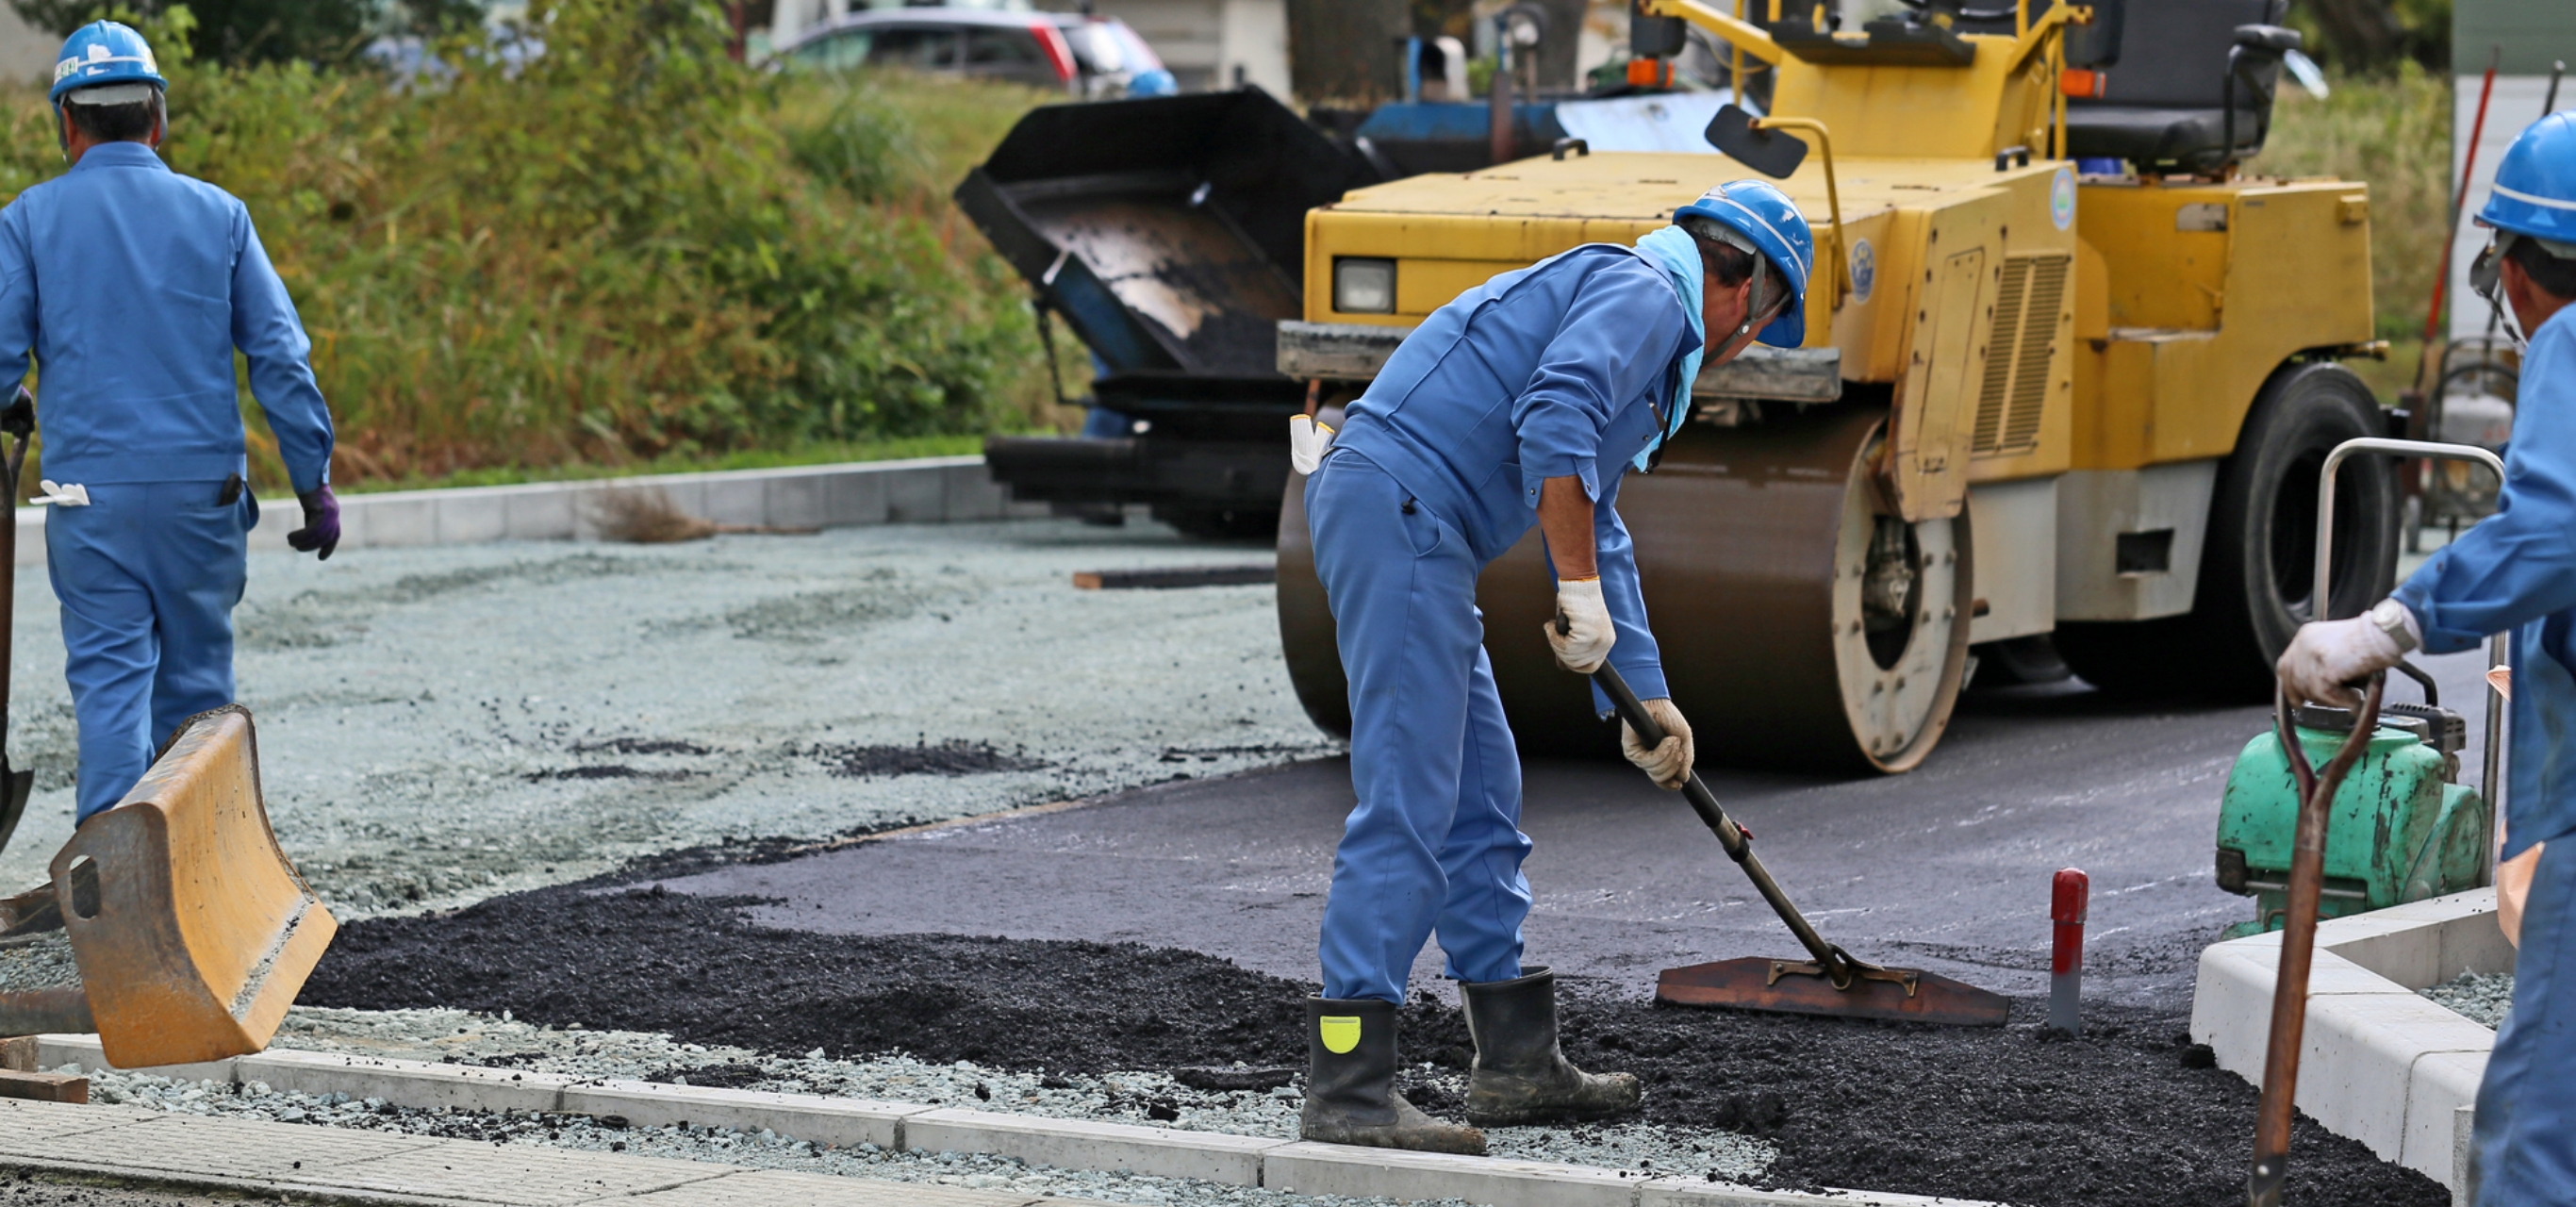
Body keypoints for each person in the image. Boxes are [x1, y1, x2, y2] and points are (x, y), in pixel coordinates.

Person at [1297, 180, 1813, 1153]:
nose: (1748, 346)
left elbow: (1598, 514)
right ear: (1749, 295)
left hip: (1418, 526)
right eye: (1766, 323)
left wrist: (1643, 694)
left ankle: (1514, 1061)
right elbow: (1553, 423)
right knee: (1409, 794)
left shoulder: (1635, 309)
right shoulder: (1648, 296)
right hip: (1397, 509)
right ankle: (1347, 1081)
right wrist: (1572, 592)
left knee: (1482, 795)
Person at [2274, 111, 2576, 1205]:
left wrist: (2386, 625)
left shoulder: (2571, 339)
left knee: (2540, 1133)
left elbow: (2554, 529)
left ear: (2514, 268)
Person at [0, 22, 339, 824]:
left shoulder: (28, 220)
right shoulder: (221, 216)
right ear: (158, 121)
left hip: (90, 503)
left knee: (111, 693)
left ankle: (110, 902)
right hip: (203, 502)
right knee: (197, 703)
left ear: (67, 124)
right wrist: (311, 479)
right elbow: (281, 359)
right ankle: (199, 883)